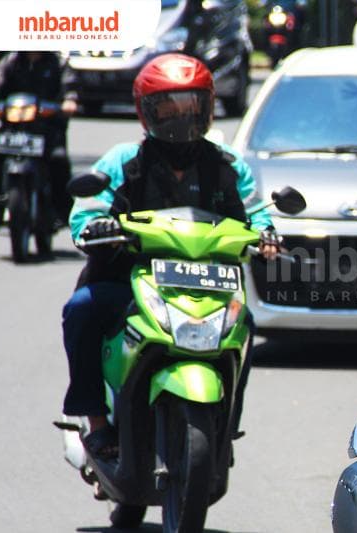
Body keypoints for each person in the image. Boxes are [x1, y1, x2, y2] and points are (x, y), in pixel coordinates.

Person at [61, 53, 279, 459]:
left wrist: (267, 235)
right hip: (125, 280)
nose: (181, 117)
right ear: (147, 112)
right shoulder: (122, 160)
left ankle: (225, 427)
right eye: (168, 107)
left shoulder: (229, 165)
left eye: (191, 105)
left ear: (208, 107)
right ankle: (96, 421)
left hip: (210, 286)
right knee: (82, 308)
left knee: (245, 324)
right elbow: (88, 208)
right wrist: (95, 228)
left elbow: (256, 211)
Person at [0, 51, 78, 232]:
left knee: (58, 160)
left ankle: (61, 211)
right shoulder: (11, 61)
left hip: (47, 127)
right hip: (13, 127)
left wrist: (69, 101)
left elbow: (69, 88)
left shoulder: (57, 63)